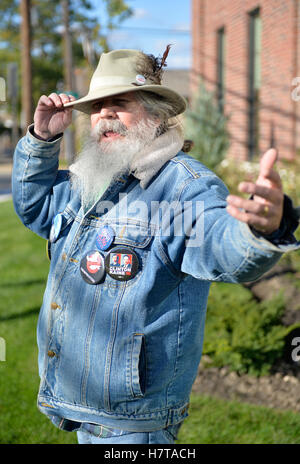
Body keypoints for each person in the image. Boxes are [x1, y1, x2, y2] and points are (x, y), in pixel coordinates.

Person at [12, 48, 300, 445]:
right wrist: (43, 141)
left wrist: (263, 230)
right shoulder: (90, 178)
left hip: (132, 420)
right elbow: (37, 208)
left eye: (120, 103)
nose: (104, 115)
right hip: (85, 403)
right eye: (97, 106)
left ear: (157, 114)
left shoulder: (180, 188)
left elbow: (219, 244)